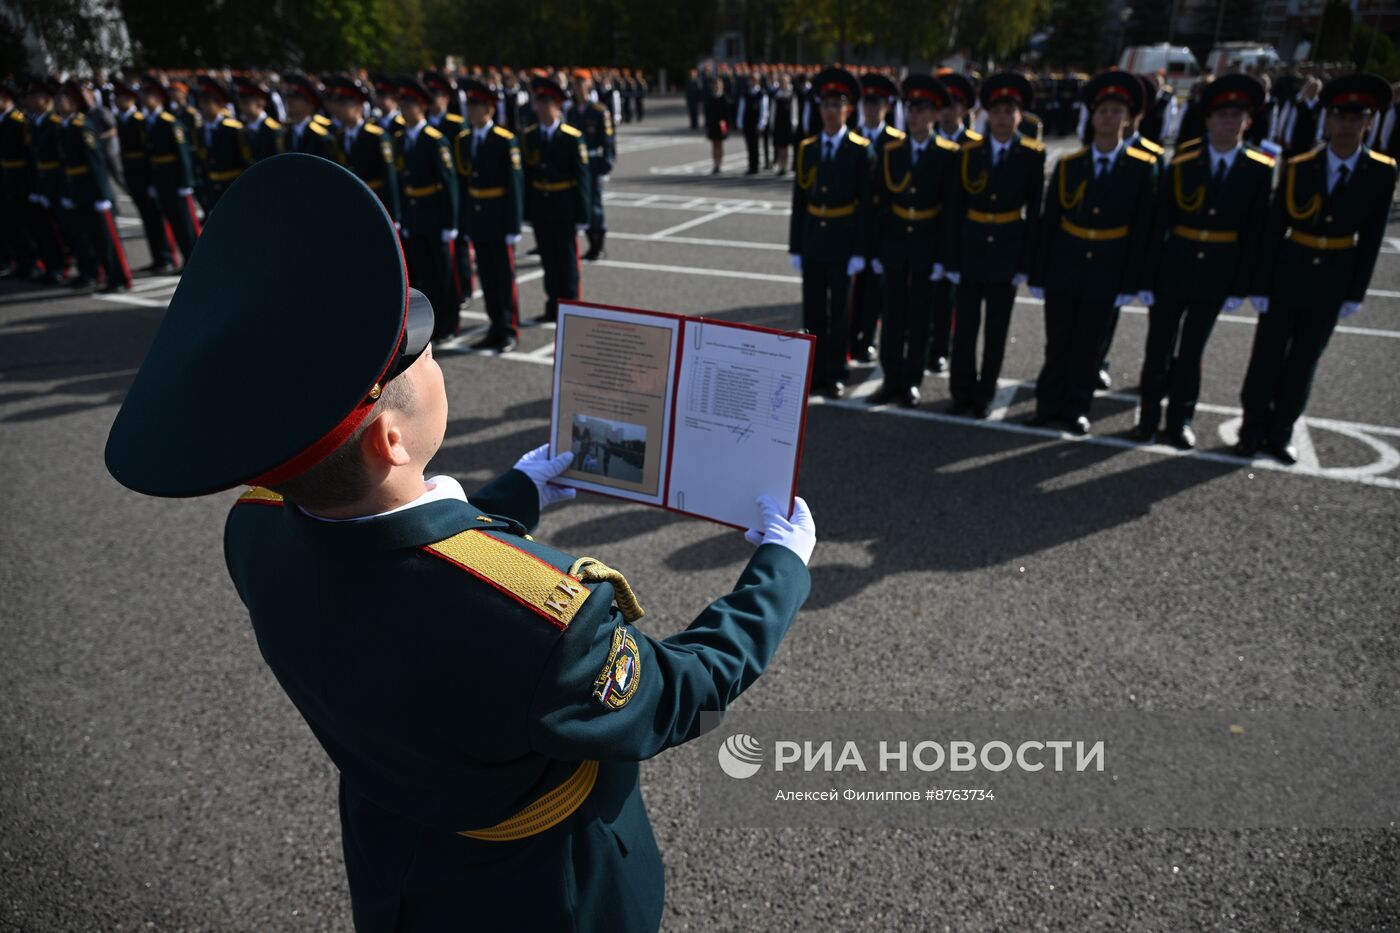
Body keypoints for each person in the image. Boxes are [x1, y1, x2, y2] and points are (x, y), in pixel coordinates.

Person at [103, 153, 816, 933]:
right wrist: (780, 570)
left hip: (399, 863)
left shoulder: (256, 530)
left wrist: (516, 491)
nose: (437, 362)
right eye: (426, 356)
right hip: (543, 892)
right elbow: (680, 693)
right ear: (389, 439)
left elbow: (390, 556)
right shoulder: (551, 622)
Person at [1237, 73, 1397, 464]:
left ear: (1369, 123)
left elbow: (1372, 238)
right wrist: (1260, 283)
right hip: (1288, 272)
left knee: (1304, 359)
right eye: (1339, 116)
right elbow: (1275, 229)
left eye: (1356, 118)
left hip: (1334, 276)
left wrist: (1355, 292)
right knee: (1267, 357)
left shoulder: (1380, 171)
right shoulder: (1299, 166)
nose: (1346, 125)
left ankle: (1281, 431)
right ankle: (1252, 428)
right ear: (1326, 121)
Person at [1131, 75, 1274, 450]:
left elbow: (1256, 234)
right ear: (1208, 120)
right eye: (1221, 115)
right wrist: (1146, 277)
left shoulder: (1259, 168)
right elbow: (1159, 223)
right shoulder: (1184, 161)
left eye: (1236, 116)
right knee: (1157, 349)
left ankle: (1180, 420)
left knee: (1192, 353)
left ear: (1247, 122)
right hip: (1173, 267)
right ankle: (1147, 418)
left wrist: (1242, 285)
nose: (1228, 122)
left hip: (1217, 272)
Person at [1029, 71, 1157, 436]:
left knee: (1089, 345)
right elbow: (1049, 221)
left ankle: (1076, 407)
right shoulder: (1070, 164)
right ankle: (1047, 405)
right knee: (1058, 343)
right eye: (1102, 111)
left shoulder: (1141, 167)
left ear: (1129, 119)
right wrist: (1039, 273)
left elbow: (1142, 231)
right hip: (1066, 264)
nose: (1108, 118)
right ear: (1092, 117)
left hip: (1108, 266)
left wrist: (1132, 281)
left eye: (1117, 111)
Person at [946, 72, 1045, 419]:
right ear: (987, 113)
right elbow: (956, 209)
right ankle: (961, 392)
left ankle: (985, 392)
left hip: (1007, 249)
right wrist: (952, 257)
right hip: (971, 248)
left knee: (996, 330)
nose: (1003, 117)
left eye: (1010, 110)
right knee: (965, 329)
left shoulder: (1032, 155)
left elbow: (1034, 214)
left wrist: (1026, 263)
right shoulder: (969, 152)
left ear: (1020, 115)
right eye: (997, 110)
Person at [867, 74, 959, 408]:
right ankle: (891, 379)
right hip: (895, 243)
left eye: (922, 109)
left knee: (920, 317)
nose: (915, 115)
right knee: (892, 316)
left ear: (936, 115)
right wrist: (877, 248)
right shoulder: (892, 150)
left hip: (926, 244)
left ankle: (911, 381)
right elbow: (878, 204)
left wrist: (943, 258)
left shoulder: (949, 153)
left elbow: (950, 211)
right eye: (911, 108)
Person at [788, 67, 874, 399]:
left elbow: (865, 206)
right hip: (813, 239)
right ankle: (813, 372)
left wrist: (859, 251)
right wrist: (796, 245)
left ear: (848, 110)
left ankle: (836, 370)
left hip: (842, 240)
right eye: (825, 105)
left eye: (837, 105)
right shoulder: (807, 148)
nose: (830, 111)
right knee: (811, 311)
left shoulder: (859, 148)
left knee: (838, 312)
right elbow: (799, 200)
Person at [455, 77, 524, 353]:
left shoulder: (504, 140)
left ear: (490, 109)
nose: (472, 111)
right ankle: (494, 326)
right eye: (470, 105)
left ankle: (509, 329)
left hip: (499, 217)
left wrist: (514, 224)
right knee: (486, 275)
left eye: (478, 105)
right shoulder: (465, 140)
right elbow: (464, 184)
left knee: (503, 277)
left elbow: (514, 185)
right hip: (478, 218)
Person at [394, 74, 460, 342]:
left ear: (421, 106)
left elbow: (449, 184)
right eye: (402, 104)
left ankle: (448, 323)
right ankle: (427, 325)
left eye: (409, 104)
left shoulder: (435, 140)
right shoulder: (399, 139)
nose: (404, 109)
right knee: (420, 274)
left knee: (442, 274)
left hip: (434, 214)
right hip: (414, 215)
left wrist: (451, 223)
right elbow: (401, 182)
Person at [520, 75, 590, 323]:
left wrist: (583, 215)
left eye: (545, 102)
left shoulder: (572, 137)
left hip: (565, 206)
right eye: (538, 102)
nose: (539, 108)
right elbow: (527, 177)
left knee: (567, 264)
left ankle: (570, 309)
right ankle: (552, 306)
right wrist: (527, 211)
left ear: (557, 105)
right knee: (549, 262)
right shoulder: (530, 136)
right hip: (542, 206)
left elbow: (582, 178)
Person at [54, 79, 133, 292]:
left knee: (107, 238)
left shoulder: (83, 128)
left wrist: (102, 196)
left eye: (64, 99)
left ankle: (120, 278)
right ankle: (105, 275)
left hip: (94, 191)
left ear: (74, 103)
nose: (58, 102)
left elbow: (96, 164)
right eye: (58, 99)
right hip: (79, 190)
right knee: (92, 236)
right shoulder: (66, 127)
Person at [848, 72, 906, 364]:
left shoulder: (896, 142)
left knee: (874, 287)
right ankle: (850, 336)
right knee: (850, 288)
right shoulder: (852, 136)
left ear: (886, 107)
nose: (871, 109)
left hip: (882, 223)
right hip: (853, 221)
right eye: (867, 103)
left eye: (877, 104)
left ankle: (867, 338)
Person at [929, 71, 981, 373]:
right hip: (927, 229)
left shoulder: (974, 145)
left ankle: (941, 346)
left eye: (955, 104)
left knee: (952, 294)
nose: (949, 110)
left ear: (965, 109)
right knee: (924, 292)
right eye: (944, 104)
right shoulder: (927, 137)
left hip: (961, 232)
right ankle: (923, 342)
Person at [140, 75, 202, 268]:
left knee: (185, 224)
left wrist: (186, 183)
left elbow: (182, 154)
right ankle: (182, 260)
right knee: (173, 223)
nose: (143, 98)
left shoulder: (169, 122)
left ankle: (195, 262)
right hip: (161, 179)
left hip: (175, 179)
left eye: (148, 95)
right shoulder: (147, 120)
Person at [325, 76, 398, 222]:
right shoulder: (337, 137)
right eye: (337, 103)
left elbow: (389, 178)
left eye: (344, 103)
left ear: (359, 105)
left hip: (374, 204)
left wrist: (393, 217)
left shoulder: (377, 136)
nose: (338, 108)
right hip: (348, 207)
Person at [566, 70, 614, 261]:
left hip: (594, 162)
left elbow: (608, 141)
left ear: (589, 85)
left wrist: (606, 165)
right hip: (577, 164)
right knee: (581, 204)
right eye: (575, 84)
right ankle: (590, 243)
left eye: (582, 83)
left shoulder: (599, 111)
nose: (578, 88)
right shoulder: (571, 111)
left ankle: (598, 245)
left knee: (595, 206)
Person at [193, 76, 251, 212]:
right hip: (211, 186)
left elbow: (246, 160)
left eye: (208, 102)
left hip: (233, 184)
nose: (203, 106)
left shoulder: (233, 129)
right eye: (201, 101)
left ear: (220, 103)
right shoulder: (199, 129)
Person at [234, 76, 287, 163]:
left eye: (246, 103)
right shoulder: (243, 129)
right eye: (240, 103)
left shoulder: (274, 130)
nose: (242, 107)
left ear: (260, 103)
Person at [703, 77, 731, 174]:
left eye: (719, 85)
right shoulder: (710, 98)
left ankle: (719, 164)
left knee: (720, 144)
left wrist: (726, 125)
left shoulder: (724, 97)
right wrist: (706, 125)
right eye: (715, 85)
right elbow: (707, 113)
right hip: (712, 124)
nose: (717, 86)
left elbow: (728, 113)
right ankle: (715, 164)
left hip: (722, 124)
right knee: (714, 145)